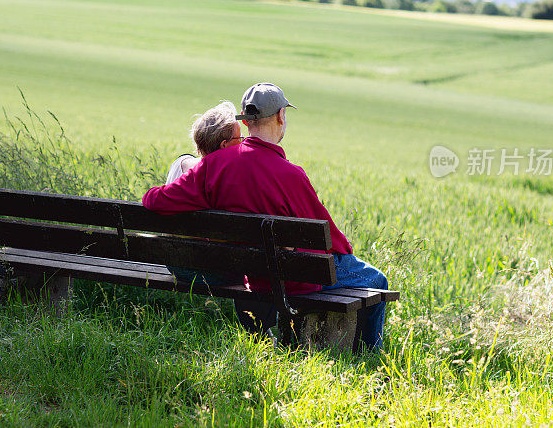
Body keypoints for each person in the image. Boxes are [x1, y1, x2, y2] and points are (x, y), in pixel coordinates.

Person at [143, 83, 390, 351]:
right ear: (281, 117)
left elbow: (152, 199)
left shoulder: (213, 166)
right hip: (298, 280)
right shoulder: (292, 175)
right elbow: (330, 239)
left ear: (246, 121)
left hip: (254, 276)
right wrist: (347, 254)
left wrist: (188, 166)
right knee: (377, 282)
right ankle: (370, 353)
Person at [164, 101, 244, 286]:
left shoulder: (179, 164)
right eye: (240, 139)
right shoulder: (224, 180)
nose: (243, 143)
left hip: (177, 266)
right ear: (225, 145)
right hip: (216, 273)